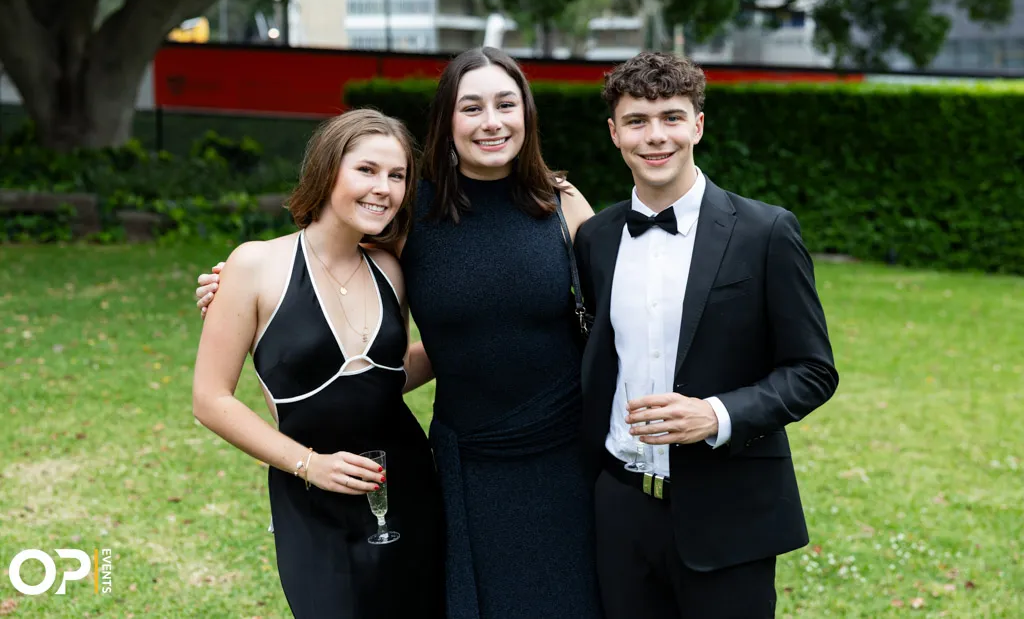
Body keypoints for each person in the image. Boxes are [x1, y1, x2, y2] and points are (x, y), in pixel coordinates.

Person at [195, 48, 603, 619]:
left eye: (506, 104)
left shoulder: (564, 207)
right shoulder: (415, 218)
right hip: (467, 462)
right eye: (471, 106)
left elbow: (618, 313)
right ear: (448, 121)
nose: (491, 121)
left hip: (565, 456)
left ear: (527, 115)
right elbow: (326, 258)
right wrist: (230, 289)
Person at [572, 50, 840, 619]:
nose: (655, 136)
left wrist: (715, 415)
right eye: (637, 121)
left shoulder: (766, 232)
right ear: (615, 132)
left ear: (697, 124)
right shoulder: (595, 238)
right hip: (619, 511)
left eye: (671, 117)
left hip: (728, 511)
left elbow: (812, 370)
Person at [192, 109, 444, 619]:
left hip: (405, 482)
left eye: (397, 176)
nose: (384, 189)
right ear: (329, 170)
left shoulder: (391, 267)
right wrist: (312, 466)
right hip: (309, 496)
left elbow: (387, 378)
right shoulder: (254, 266)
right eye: (367, 170)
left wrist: (470, 345)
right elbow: (210, 400)